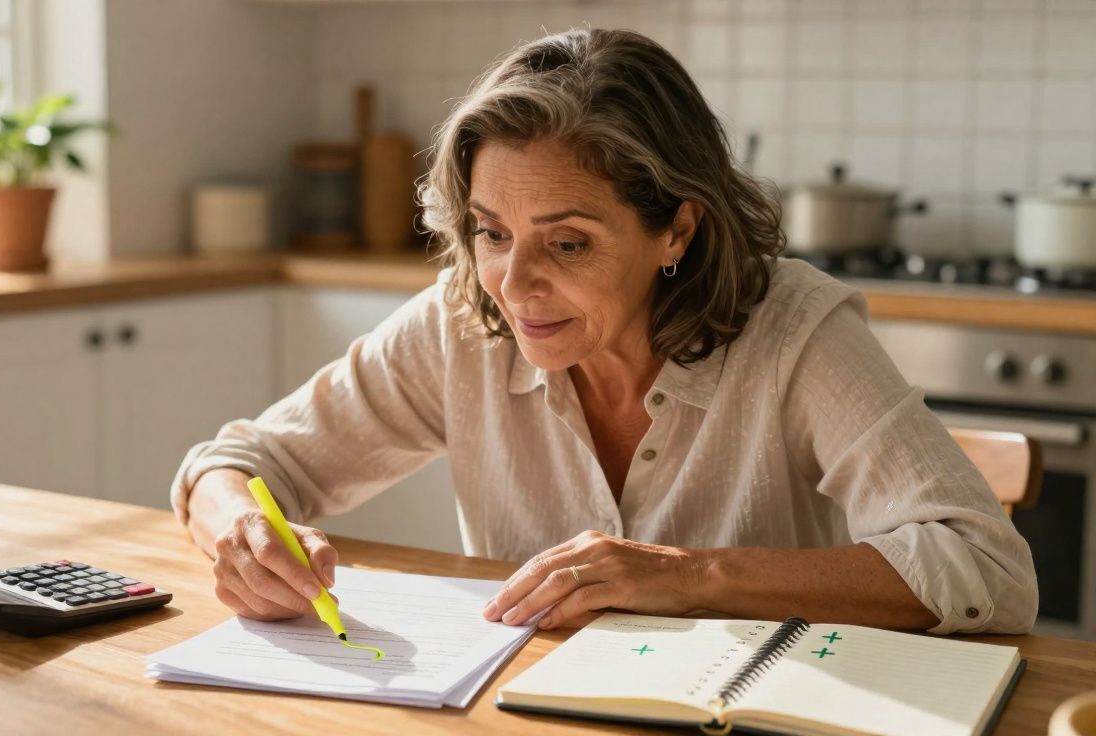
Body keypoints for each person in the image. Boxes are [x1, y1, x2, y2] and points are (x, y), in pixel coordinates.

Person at [170, 28, 1037, 635]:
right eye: (491, 231)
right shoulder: (461, 322)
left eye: (568, 242)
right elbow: (236, 464)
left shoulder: (793, 331)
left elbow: (988, 571)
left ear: (678, 231)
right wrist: (242, 533)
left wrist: (689, 576)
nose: (513, 283)